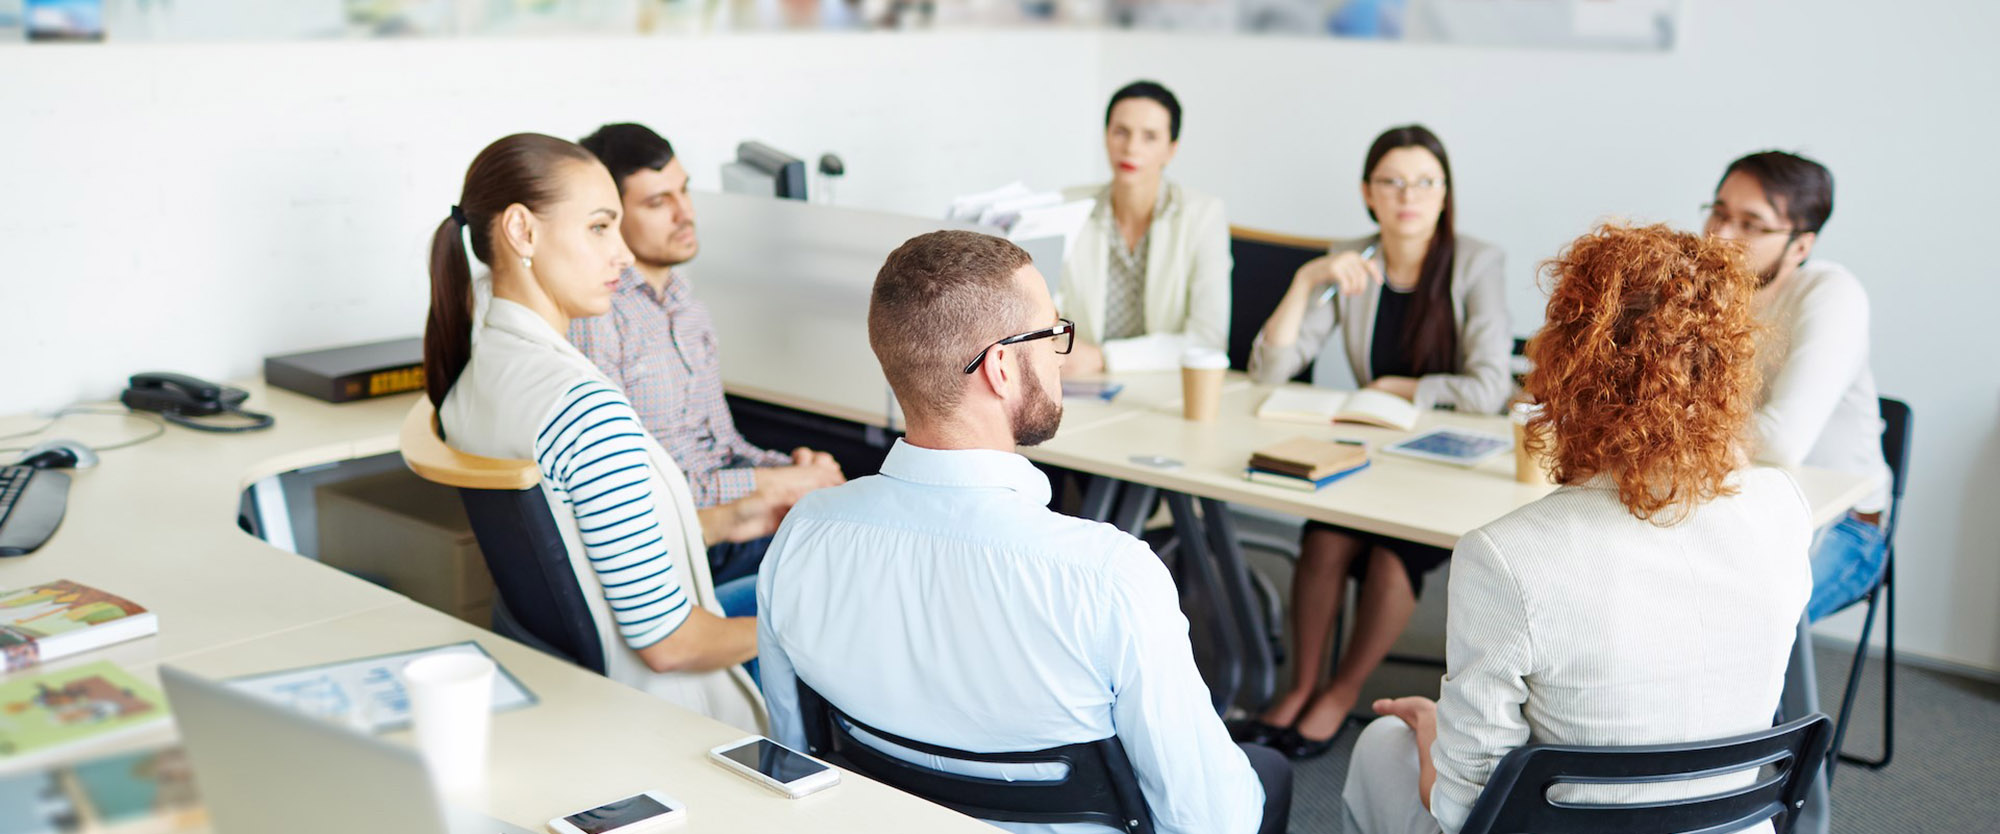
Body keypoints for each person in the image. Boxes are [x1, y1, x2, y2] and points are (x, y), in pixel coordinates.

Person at [757, 230, 1291, 834]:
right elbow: (1213, 822)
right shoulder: (1109, 577)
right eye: (1053, 332)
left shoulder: (804, 535)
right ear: (1003, 367)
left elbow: (796, 752)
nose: (1062, 354)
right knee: (1267, 774)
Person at [1342, 223, 1812, 834]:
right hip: (1732, 824)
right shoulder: (1784, 508)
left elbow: (1466, 814)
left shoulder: (1503, 556)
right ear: (1729, 362)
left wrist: (1433, 732)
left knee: (1384, 744)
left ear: (1565, 362)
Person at [425, 133, 769, 730]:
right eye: (599, 228)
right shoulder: (585, 411)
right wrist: (813, 632)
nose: (624, 254)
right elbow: (671, 644)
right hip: (671, 719)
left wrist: (735, 517)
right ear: (522, 232)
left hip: (577, 691)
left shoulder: (478, 372)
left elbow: (580, 554)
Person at [1238, 125, 1510, 758]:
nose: (1407, 195)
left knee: (1391, 557)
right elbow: (1269, 370)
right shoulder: (1352, 261)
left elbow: (1491, 387)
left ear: (1445, 194)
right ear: (1368, 192)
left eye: (1425, 182)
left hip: (1448, 462)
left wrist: (1407, 388)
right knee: (1326, 534)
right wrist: (1307, 281)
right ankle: (1299, 687)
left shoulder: (1476, 263)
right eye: (1391, 181)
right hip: (1371, 454)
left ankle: (1340, 692)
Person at [569, 123, 846, 590]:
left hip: (735, 511)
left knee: (864, 514)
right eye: (658, 202)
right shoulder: (598, 320)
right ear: (608, 220)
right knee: (861, 556)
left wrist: (792, 470)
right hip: (690, 537)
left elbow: (724, 446)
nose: (685, 213)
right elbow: (641, 489)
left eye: (684, 191)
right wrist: (776, 485)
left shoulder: (686, 303)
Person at [1704, 150, 1892, 622]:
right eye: (1719, 212)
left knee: (1727, 626)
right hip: (1735, 508)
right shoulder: (1709, 293)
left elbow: (1782, 440)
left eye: (1751, 224)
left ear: (1800, 246)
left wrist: (1669, 430)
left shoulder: (1831, 293)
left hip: (1843, 526)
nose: (1721, 234)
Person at [1058, 81, 1232, 374]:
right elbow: (1044, 313)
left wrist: (1103, 358)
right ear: (1106, 137)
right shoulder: (1067, 207)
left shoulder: (1203, 215)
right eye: (1120, 132)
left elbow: (1208, 340)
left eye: (1149, 137)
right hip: (1079, 382)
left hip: (1163, 385)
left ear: (1171, 150)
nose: (1131, 148)